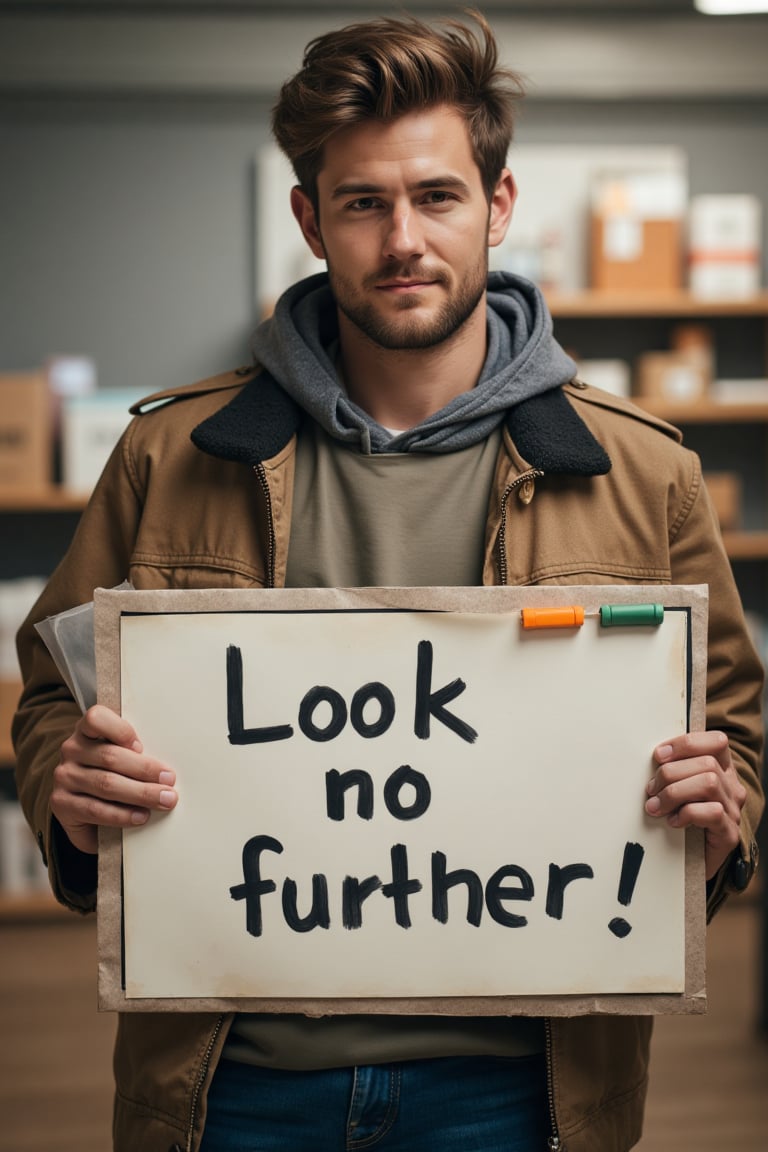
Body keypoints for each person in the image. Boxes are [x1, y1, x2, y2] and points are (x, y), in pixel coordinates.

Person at [11, 9, 764, 1152]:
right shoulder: (168, 458)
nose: (402, 238)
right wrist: (68, 796)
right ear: (313, 221)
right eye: (363, 203)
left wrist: (718, 822)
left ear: (498, 206)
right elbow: (51, 697)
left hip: (521, 1086)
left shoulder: (645, 470)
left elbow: (731, 736)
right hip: (233, 1079)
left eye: (438, 197)